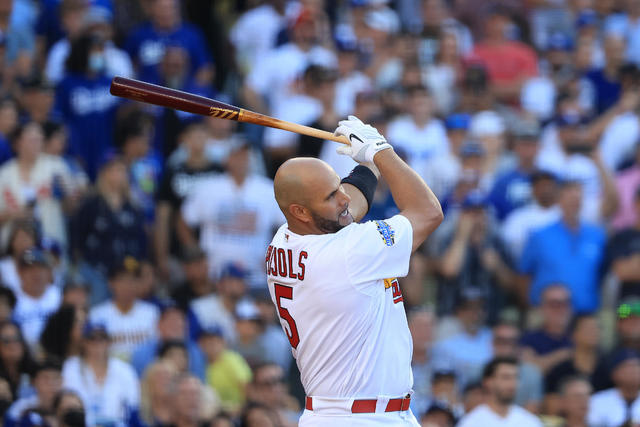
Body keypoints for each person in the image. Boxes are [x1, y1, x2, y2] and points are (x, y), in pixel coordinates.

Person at [267, 115, 443, 425]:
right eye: (330, 195)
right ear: (300, 211)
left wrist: (366, 164)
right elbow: (427, 212)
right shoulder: (347, 252)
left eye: (337, 187)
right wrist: (380, 150)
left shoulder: (286, 237)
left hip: (347, 412)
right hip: (359, 417)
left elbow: (350, 205)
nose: (343, 197)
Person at [61, 322, 139, 426]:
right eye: (92, 338)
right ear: (83, 342)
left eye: (102, 338)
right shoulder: (71, 367)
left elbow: (133, 404)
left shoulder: (124, 370)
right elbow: (66, 402)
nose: (97, 343)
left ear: (108, 342)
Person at [88, 256, 159, 361]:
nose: (128, 285)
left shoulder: (152, 312)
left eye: (133, 280)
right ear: (111, 283)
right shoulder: (97, 314)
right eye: (122, 280)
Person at [457, 357, 543, 427]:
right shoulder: (471, 423)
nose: (512, 383)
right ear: (488, 382)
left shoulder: (530, 421)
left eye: (516, 377)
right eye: (506, 377)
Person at [11, 248, 61, 350]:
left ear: (49, 272)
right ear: (19, 272)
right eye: (30, 268)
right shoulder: (11, 299)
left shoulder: (59, 296)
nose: (36, 273)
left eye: (41, 268)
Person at [587, 349, 640, 426]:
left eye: (637, 367)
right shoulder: (597, 401)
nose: (634, 372)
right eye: (627, 367)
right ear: (614, 374)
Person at [4, 358, 62, 427]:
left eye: (56, 378)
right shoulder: (19, 408)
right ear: (33, 382)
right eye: (46, 378)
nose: (51, 383)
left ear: (62, 381)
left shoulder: (70, 406)